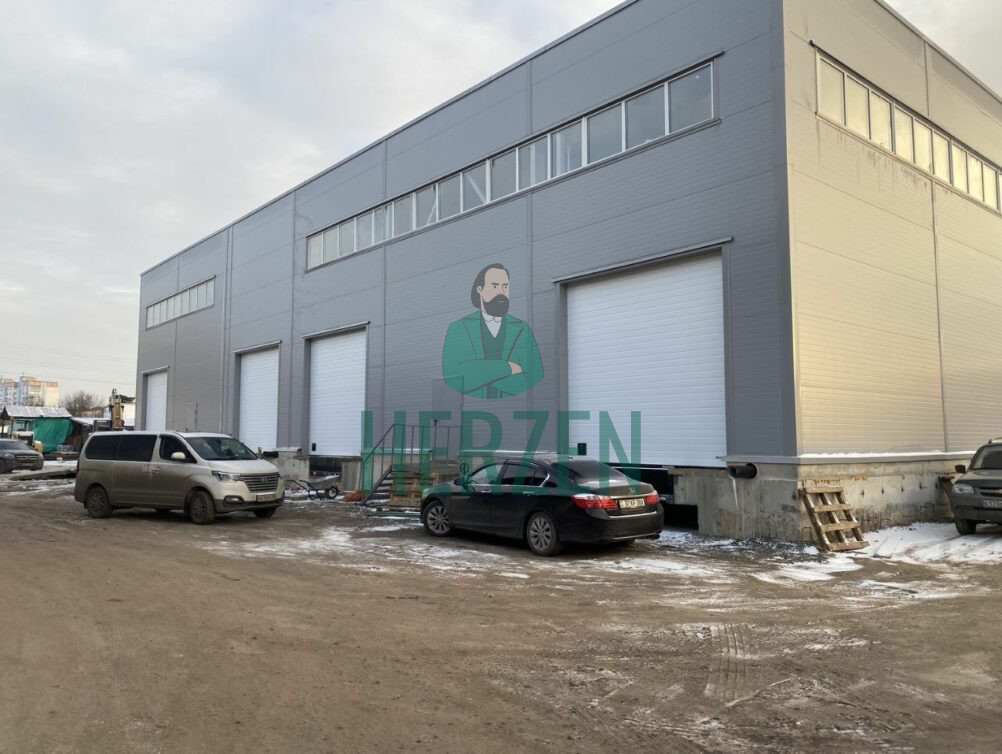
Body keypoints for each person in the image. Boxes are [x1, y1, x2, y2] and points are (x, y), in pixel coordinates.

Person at [442, 263, 543, 399]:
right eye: (494, 286)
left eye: (505, 286)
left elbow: (535, 376)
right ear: (480, 289)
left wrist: (482, 376)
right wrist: (508, 368)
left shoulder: (522, 328)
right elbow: (453, 376)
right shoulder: (458, 328)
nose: (501, 292)